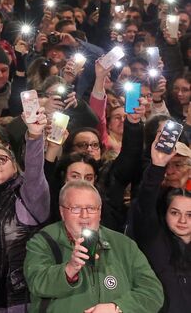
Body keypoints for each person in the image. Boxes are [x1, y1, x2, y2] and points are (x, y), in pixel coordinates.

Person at [23, 180, 164, 312]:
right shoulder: (43, 241)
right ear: (62, 212)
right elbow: (36, 282)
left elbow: (153, 292)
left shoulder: (124, 245)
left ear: (100, 211)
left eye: (91, 208)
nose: (85, 215)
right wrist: (70, 269)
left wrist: (118, 307)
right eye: (76, 208)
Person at [0, 105, 51, 313]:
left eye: (1, 159)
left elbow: (35, 172)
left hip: (24, 299)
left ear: (14, 164)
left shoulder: (28, 196)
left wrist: (35, 136)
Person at [131, 129, 191, 313]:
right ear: (165, 214)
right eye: (174, 213)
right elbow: (145, 204)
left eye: (190, 215)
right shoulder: (155, 239)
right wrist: (157, 166)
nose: (182, 220)